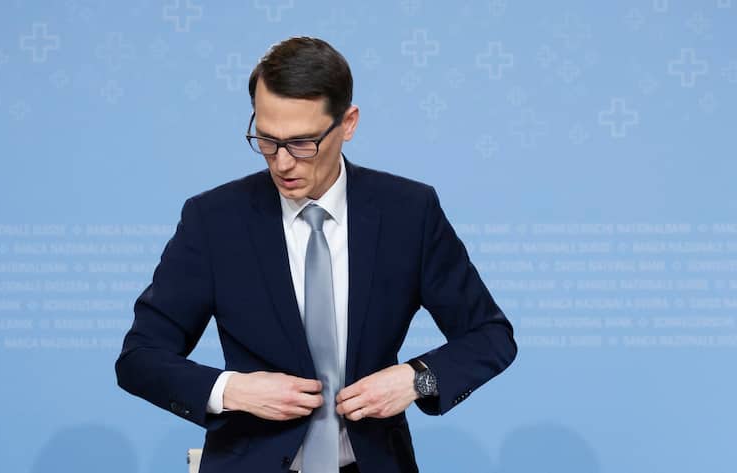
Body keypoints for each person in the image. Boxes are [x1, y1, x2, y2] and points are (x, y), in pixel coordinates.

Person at [115, 36, 517, 473]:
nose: (282, 163)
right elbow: (140, 357)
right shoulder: (213, 220)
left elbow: (489, 335)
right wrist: (232, 390)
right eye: (266, 140)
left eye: (302, 143)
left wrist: (417, 379)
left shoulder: (409, 212)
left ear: (348, 123)